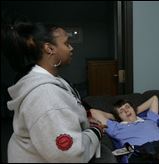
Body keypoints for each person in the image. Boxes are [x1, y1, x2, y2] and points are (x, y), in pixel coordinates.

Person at [1, 12, 115, 162]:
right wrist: (96, 131)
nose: (71, 48)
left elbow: (66, 112)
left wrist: (85, 121)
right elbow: (70, 155)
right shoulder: (44, 95)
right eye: (67, 43)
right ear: (49, 48)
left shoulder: (51, 80)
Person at [90, 95, 159, 146]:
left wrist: (135, 111)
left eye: (127, 107)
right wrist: (115, 117)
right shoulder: (117, 128)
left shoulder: (149, 119)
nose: (126, 111)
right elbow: (93, 112)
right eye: (121, 111)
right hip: (143, 154)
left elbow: (154, 98)